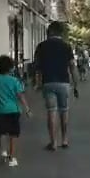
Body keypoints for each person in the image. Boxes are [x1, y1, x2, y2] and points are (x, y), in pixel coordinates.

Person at [33, 21, 79, 150]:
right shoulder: (66, 46)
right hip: (63, 82)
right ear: (61, 33)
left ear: (50, 32)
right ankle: (64, 140)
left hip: (48, 82)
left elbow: (37, 68)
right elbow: (72, 66)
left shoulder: (41, 46)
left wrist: (37, 83)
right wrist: (76, 85)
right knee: (64, 110)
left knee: (51, 111)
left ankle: (53, 143)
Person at [0, 55, 31, 167]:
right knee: (13, 134)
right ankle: (12, 158)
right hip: (14, 110)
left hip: (0, 110)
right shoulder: (14, 81)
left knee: (2, 132)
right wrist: (27, 109)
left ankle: (3, 151)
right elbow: (20, 95)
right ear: (10, 68)